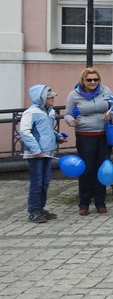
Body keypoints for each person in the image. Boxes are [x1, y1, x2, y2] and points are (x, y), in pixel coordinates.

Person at [65, 68, 113, 216]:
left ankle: (100, 202)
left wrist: (111, 115)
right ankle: (84, 203)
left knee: (102, 169)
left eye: (96, 79)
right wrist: (71, 121)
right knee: (86, 169)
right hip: (85, 136)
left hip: (104, 136)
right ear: (83, 81)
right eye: (89, 80)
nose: (93, 82)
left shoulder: (106, 91)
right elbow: (67, 114)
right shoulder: (74, 95)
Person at [20, 85, 65, 223]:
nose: (53, 99)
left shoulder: (50, 112)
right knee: (37, 182)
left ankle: (40, 208)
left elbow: (48, 130)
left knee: (45, 182)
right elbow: (25, 132)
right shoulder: (31, 112)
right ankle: (33, 211)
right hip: (36, 154)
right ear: (41, 98)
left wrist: (58, 137)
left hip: (47, 152)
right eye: (50, 97)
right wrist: (36, 150)